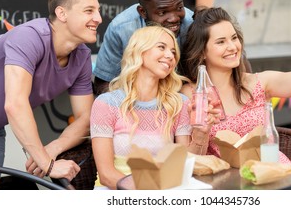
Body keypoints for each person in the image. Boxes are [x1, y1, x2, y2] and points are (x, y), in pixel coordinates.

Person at [179, 7, 291, 169]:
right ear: (202, 52)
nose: (233, 46)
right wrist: (201, 133)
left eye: (234, 38)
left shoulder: (258, 83)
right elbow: (189, 161)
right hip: (227, 186)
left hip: (273, 176)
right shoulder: (191, 95)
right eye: (221, 42)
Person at [0, 0, 102, 182]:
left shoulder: (81, 56)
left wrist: (52, 148)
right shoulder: (29, 37)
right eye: (89, 11)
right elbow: (15, 104)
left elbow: (86, 118)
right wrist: (48, 165)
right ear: (62, 13)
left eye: (98, 10)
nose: (99, 18)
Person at [90, 26, 217, 190]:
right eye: (161, 47)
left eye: (173, 51)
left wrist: (201, 133)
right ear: (139, 51)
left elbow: (186, 166)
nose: (170, 56)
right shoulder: (106, 104)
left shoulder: (179, 103)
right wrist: (149, 195)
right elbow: (107, 175)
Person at [93, 0, 194, 95]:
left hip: (178, 100)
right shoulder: (121, 29)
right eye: (162, 12)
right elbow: (103, 83)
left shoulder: (192, 24)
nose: (174, 18)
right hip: (132, 102)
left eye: (179, 8)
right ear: (142, 12)